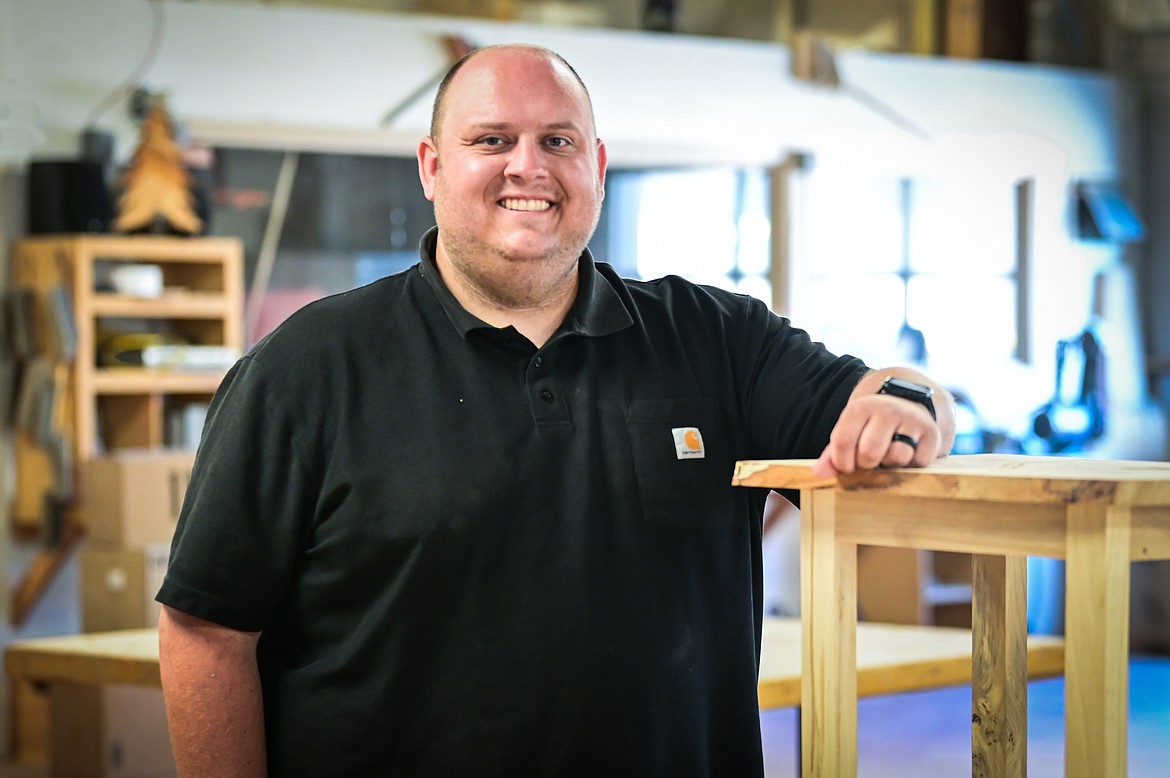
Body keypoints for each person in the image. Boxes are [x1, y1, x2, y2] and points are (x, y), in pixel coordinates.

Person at [156, 43, 955, 778]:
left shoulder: (718, 339)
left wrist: (911, 403)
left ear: (597, 165)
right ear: (432, 167)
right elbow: (206, 631)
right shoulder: (306, 369)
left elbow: (882, 397)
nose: (527, 168)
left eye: (559, 142)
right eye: (492, 141)